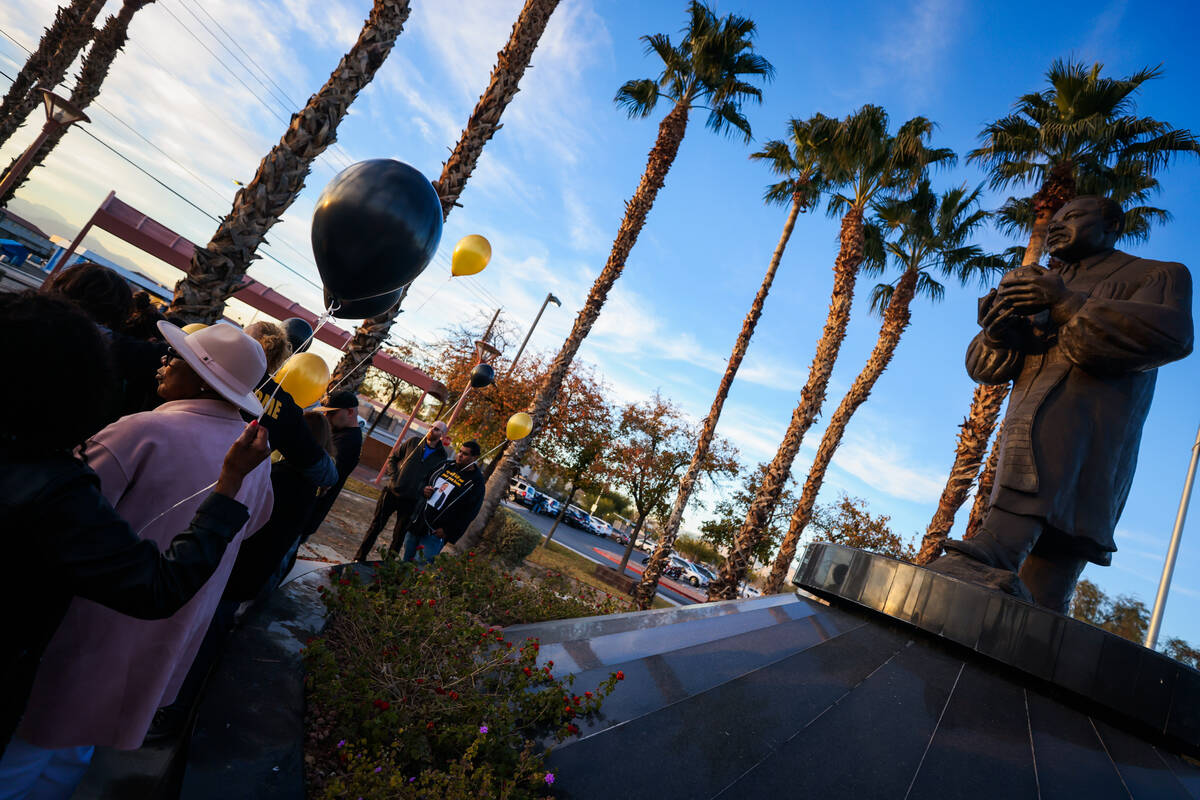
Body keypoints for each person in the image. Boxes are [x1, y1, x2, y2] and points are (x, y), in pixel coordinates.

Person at [3, 321, 275, 794]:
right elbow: (253, 523)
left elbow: (70, 510)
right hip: (167, 627)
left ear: (201, 379)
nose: (164, 364)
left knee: (24, 749)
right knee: (72, 755)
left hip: (87, 620)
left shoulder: (145, 428)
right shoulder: (252, 456)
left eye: (177, 360)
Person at [934, 196, 1193, 612]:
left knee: (1053, 567)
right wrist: (998, 334)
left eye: (1071, 217)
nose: (1056, 226)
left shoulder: (1159, 274)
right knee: (1038, 610)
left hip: (1093, 430)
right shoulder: (1037, 280)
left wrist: (1066, 303)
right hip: (1026, 419)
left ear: (1113, 226)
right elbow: (986, 367)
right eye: (1052, 220)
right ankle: (1006, 570)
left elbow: (1173, 335)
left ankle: (995, 550)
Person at [243, 321, 338, 491]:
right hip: (232, 490)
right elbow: (327, 474)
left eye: (243, 336)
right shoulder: (287, 408)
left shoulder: (210, 371)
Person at [353, 420, 450, 561]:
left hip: (412, 500)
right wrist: (394, 476)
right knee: (375, 527)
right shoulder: (413, 442)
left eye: (436, 429)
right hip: (392, 493)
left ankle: (387, 567)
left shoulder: (442, 456)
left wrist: (423, 489)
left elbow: (435, 479)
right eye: (431, 427)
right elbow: (393, 458)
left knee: (398, 536)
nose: (432, 430)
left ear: (442, 434)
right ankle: (359, 558)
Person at [400, 440, 486, 563]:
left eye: (465, 454)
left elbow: (469, 513)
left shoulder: (476, 483)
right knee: (405, 560)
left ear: (474, 458)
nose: (460, 455)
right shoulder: (445, 466)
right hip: (418, 522)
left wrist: (448, 531)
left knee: (420, 566)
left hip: (435, 533)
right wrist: (424, 489)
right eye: (460, 451)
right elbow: (424, 480)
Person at [297, 391, 363, 547]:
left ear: (350, 412)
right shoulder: (340, 432)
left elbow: (323, 473)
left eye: (332, 413)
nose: (327, 417)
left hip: (308, 513)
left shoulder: (349, 441)